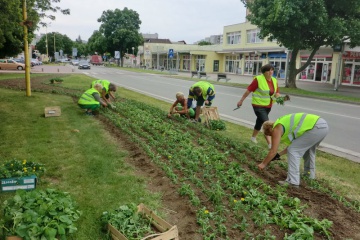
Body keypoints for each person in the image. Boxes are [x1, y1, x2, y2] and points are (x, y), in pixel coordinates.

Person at [258, 113, 329, 187]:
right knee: (308, 150)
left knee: (294, 151)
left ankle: (293, 181)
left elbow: (273, 151)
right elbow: (293, 146)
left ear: (270, 129)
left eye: (270, 135)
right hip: (322, 126)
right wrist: (279, 154)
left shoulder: (276, 128)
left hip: (315, 127)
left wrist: (263, 164)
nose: (272, 137)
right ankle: (309, 176)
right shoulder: (283, 124)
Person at [236, 64, 281, 148]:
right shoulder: (258, 79)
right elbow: (248, 90)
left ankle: (253, 138)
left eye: (272, 70)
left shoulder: (274, 80)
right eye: (268, 70)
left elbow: (276, 92)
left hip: (268, 105)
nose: (271, 72)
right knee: (266, 123)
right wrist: (241, 100)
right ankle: (270, 144)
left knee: (259, 121)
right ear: (264, 72)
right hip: (258, 105)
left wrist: (280, 99)